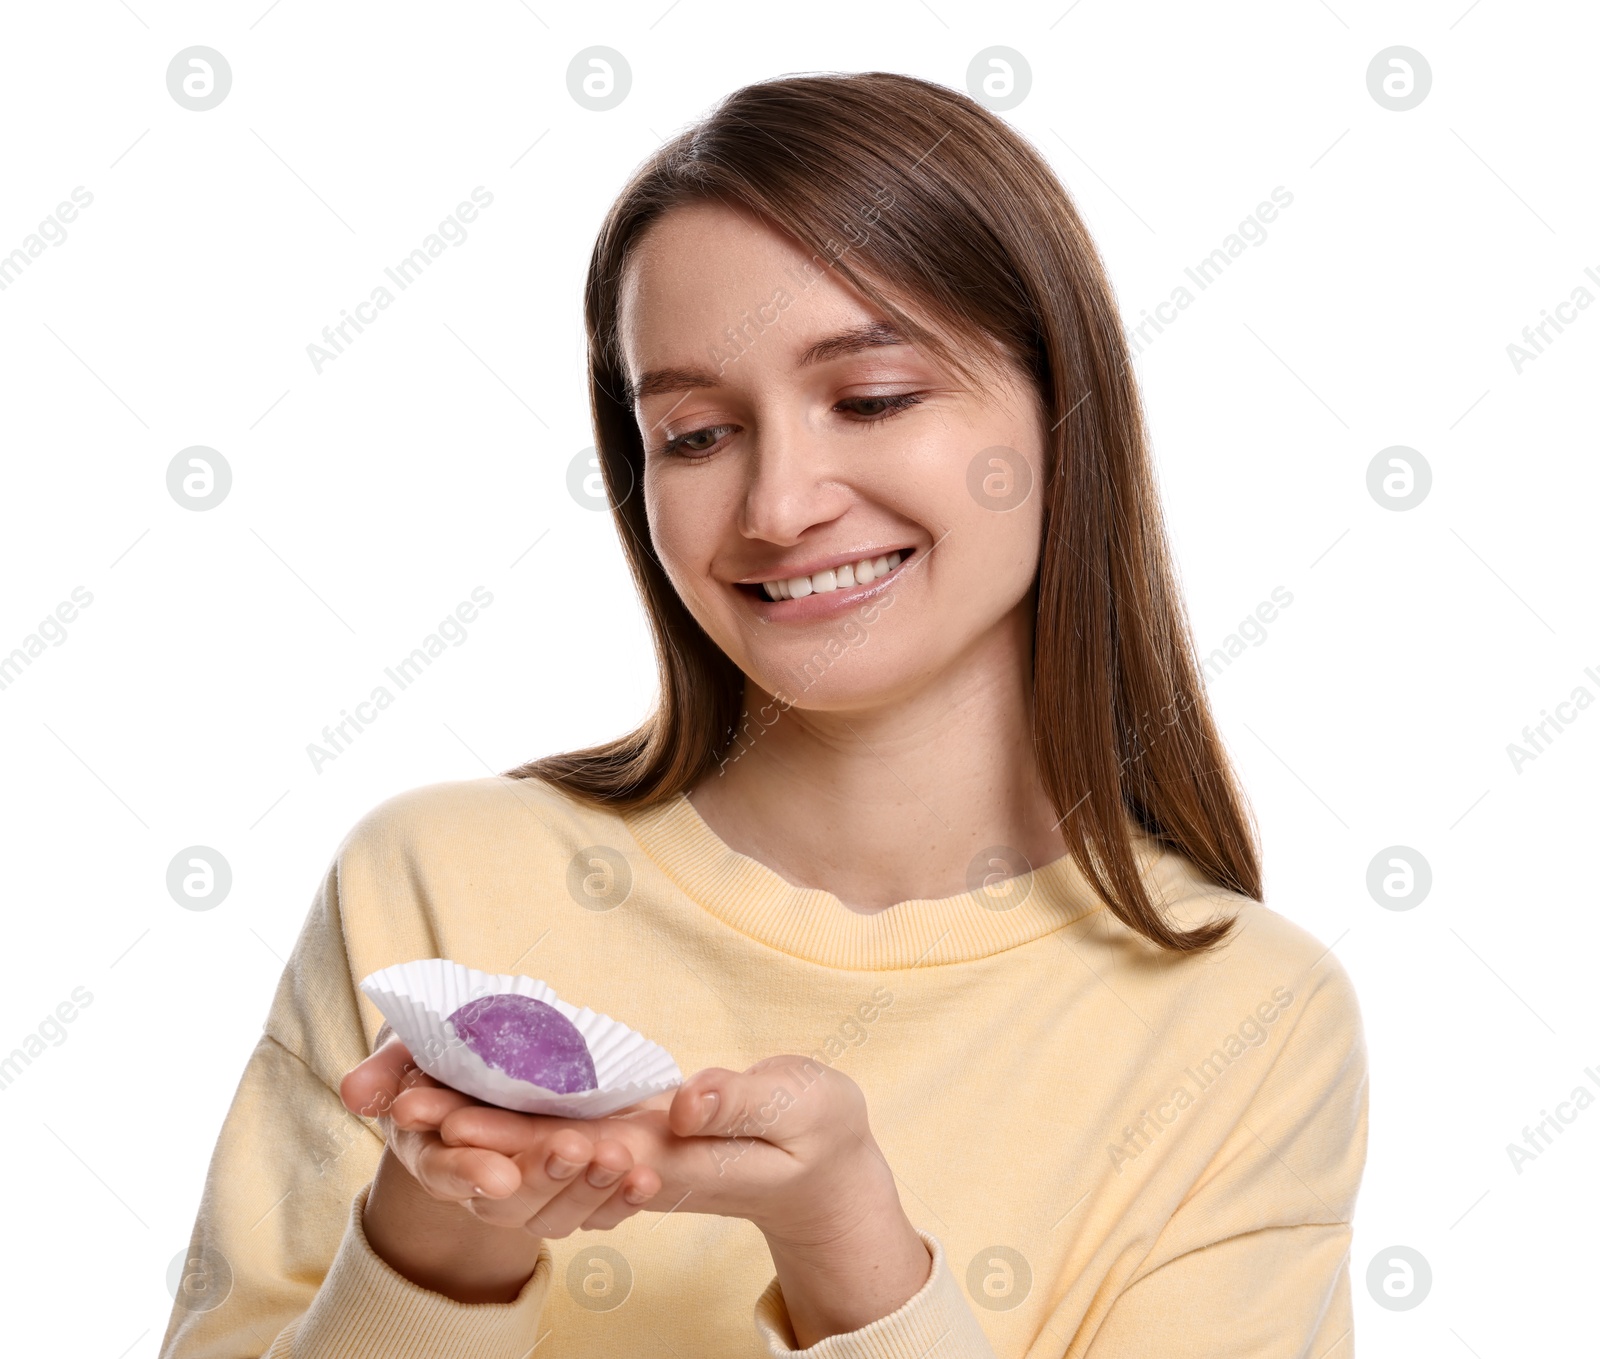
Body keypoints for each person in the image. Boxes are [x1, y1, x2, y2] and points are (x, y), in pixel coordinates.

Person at [160, 70, 1366, 1358]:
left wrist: (851, 1249)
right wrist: (439, 1244)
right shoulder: (433, 889)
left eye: (874, 399)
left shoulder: (1249, 1016)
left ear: (1063, 414)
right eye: (693, 434)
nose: (779, 505)